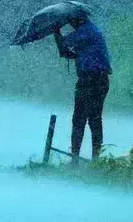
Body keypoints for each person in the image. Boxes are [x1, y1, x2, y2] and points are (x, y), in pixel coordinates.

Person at [53, 14, 112, 165]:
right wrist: (59, 37)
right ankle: (95, 160)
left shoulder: (85, 31)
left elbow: (64, 45)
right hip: (100, 80)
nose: (70, 24)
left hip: (90, 80)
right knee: (94, 119)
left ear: (77, 19)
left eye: (70, 20)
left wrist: (56, 31)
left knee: (79, 119)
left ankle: (75, 160)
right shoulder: (92, 31)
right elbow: (67, 52)